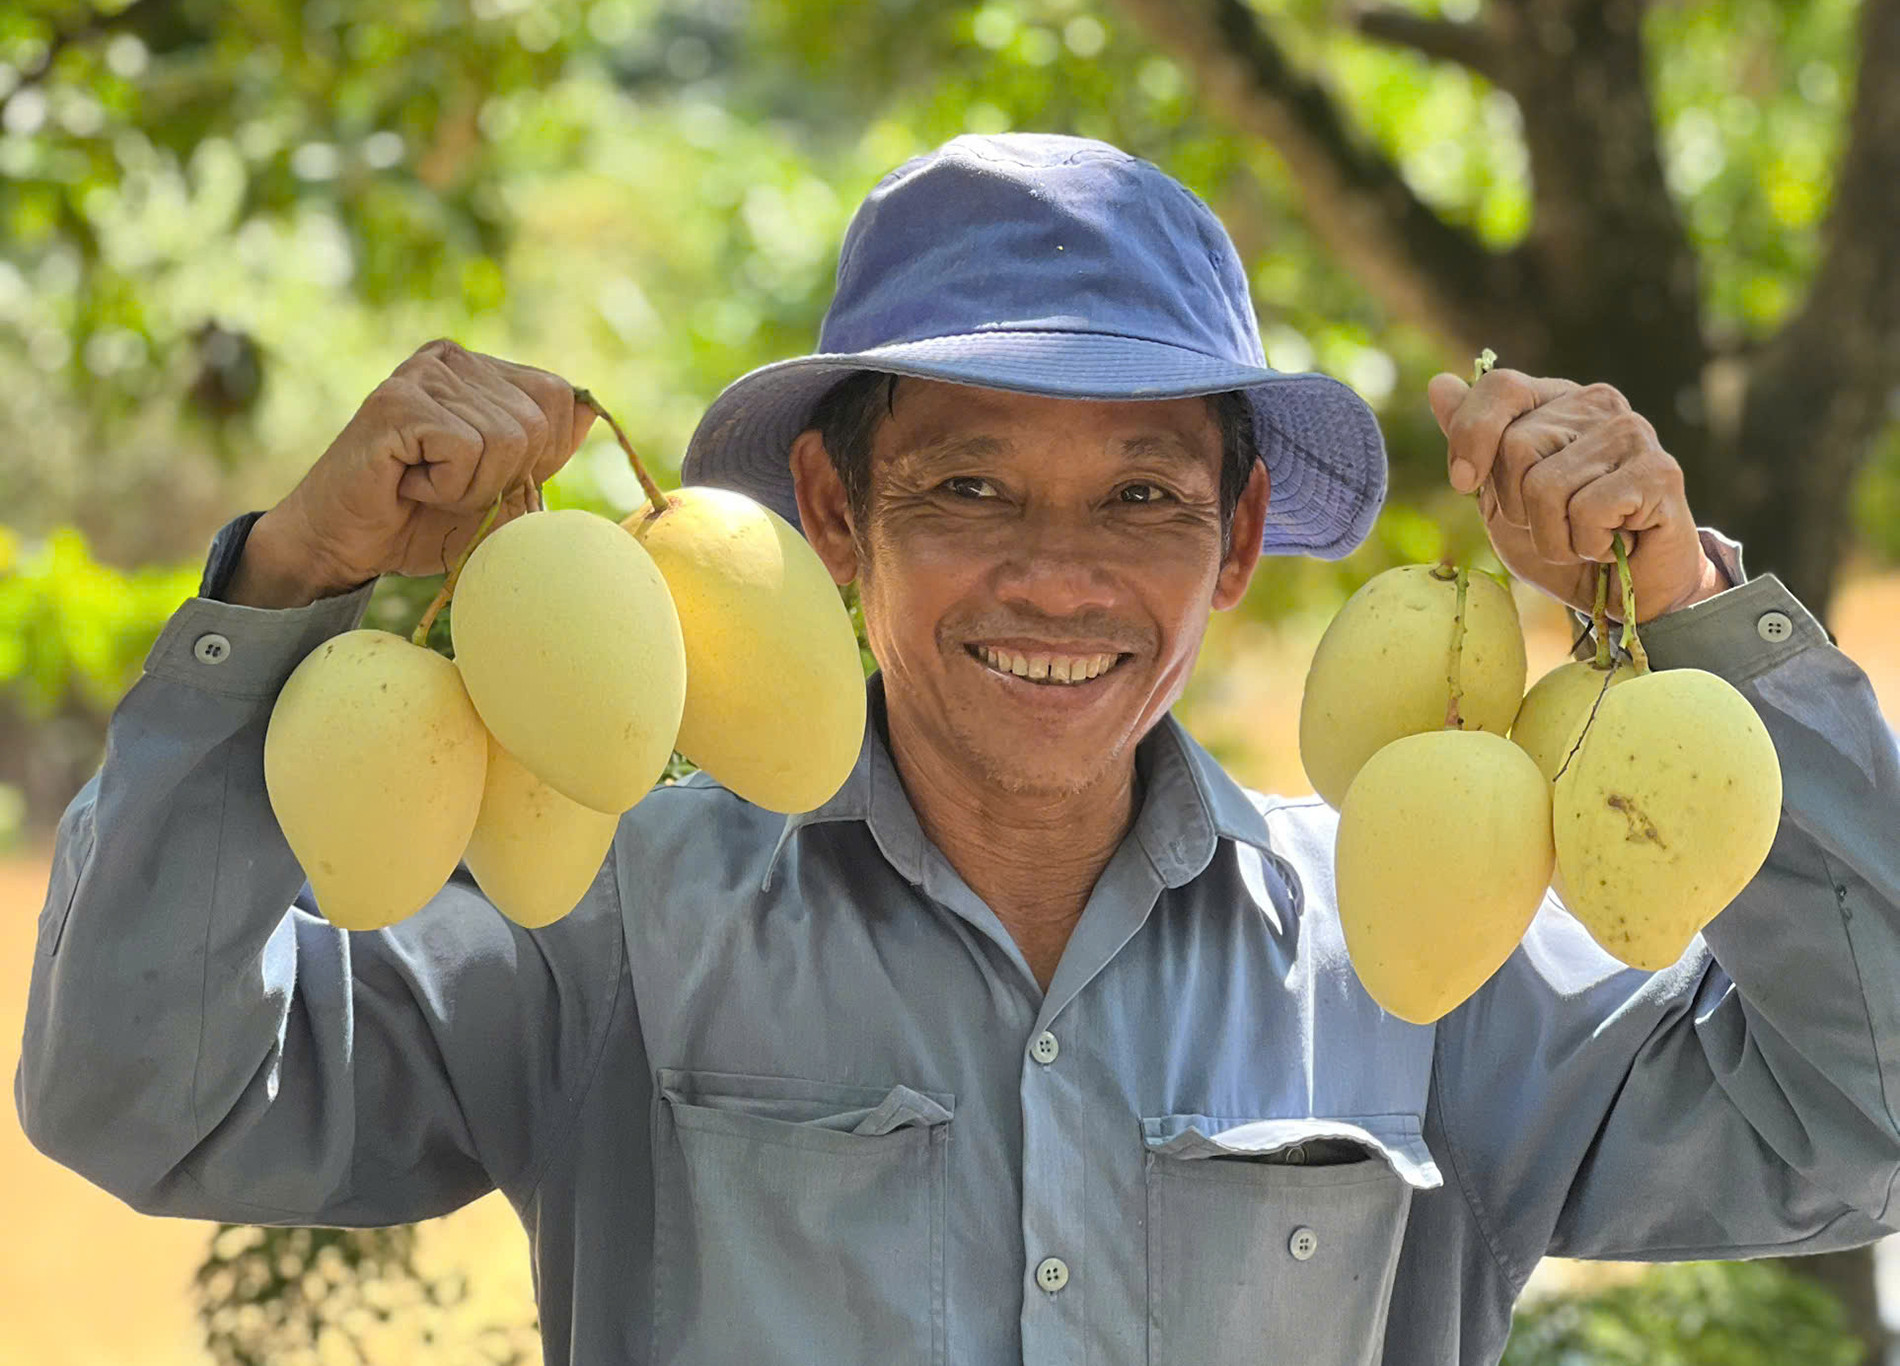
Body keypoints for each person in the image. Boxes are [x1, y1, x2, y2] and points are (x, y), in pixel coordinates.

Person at [15, 133, 1899, 1366]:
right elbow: (140, 1094)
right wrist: (287, 591)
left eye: (1146, 495)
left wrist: (1688, 610)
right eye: (971, 483)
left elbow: (1868, 1121)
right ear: (838, 517)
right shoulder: (615, 915)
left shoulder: (1423, 940)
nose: (1058, 577)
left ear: (1238, 545)